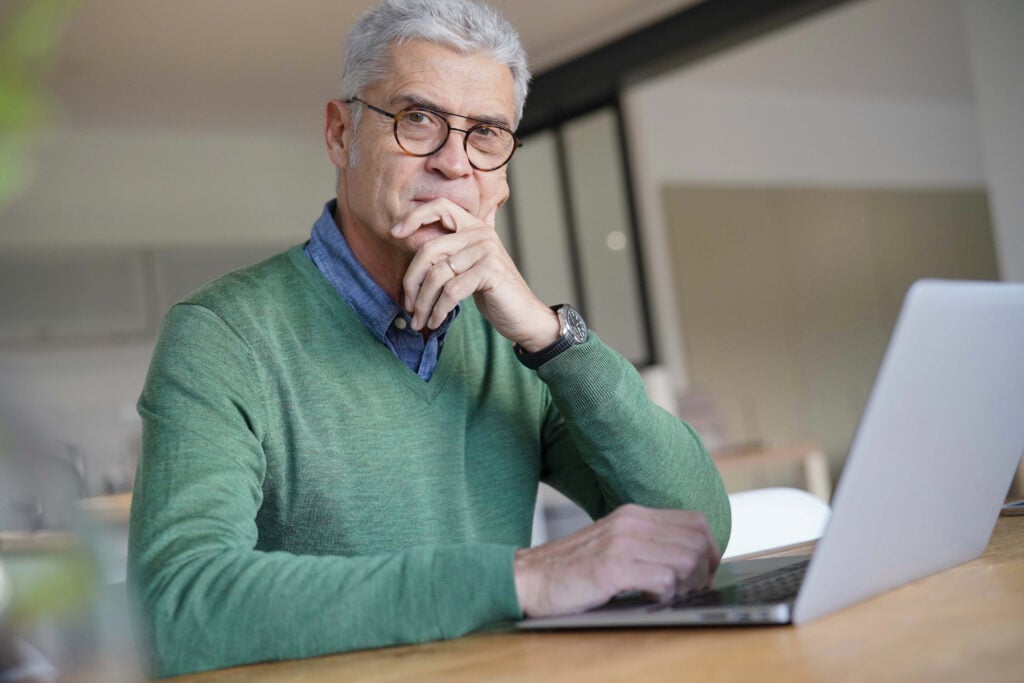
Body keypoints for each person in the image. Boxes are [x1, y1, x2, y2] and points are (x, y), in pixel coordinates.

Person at [127, 0, 731, 677]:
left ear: (502, 173)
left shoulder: (517, 343)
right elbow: (173, 610)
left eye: (486, 134)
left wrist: (548, 333)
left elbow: (697, 525)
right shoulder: (223, 334)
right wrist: (520, 580)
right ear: (339, 133)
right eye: (418, 119)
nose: (453, 163)